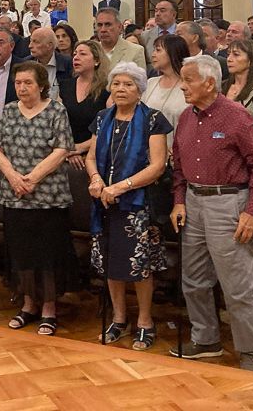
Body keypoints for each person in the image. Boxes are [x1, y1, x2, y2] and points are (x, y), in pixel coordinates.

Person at [169, 54, 253, 372]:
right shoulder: (185, 117)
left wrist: (252, 212)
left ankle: (250, 350)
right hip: (193, 203)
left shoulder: (235, 116)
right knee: (194, 280)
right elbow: (177, 166)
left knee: (236, 284)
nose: (182, 86)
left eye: (188, 80)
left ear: (209, 83)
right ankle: (206, 340)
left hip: (228, 203)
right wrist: (179, 201)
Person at [86, 61, 172, 350]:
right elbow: (90, 157)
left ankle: (145, 321)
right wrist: (96, 179)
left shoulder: (153, 120)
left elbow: (157, 166)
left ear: (140, 90)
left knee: (139, 265)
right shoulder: (102, 118)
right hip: (104, 202)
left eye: (128, 84)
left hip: (138, 204)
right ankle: (118, 318)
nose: (121, 89)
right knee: (112, 261)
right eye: (116, 84)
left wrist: (121, 187)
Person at [0, 62, 77, 337]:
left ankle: (49, 309)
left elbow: (62, 149)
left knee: (47, 254)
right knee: (22, 252)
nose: (22, 88)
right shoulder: (9, 110)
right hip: (14, 195)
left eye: (27, 83)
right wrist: (13, 177)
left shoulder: (56, 110)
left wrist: (31, 179)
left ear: (41, 85)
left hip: (48, 196)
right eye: (18, 83)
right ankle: (28, 305)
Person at [59, 40, 110, 169]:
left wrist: (80, 148)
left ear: (97, 61)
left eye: (82, 54)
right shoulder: (65, 86)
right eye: (75, 54)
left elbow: (109, 129)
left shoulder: (107, 90)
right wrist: (70, 149)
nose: (76, 57)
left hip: (96, 153)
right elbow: (57, 123)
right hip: (66, 152)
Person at [143, 34, 190, 148]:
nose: (153, 54)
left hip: (179, 150)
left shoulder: (189, 87)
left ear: (173, 53)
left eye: (158, 50)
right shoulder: (150, 83)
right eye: (154, 50)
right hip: (149, 150)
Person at [96, 8, 146, 73]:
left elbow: (140, 78)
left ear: (120, 27)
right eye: (99, 25)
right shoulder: (91, 51)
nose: (103, 30)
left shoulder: (135, 51)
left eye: (108, 25)